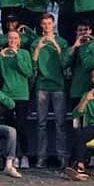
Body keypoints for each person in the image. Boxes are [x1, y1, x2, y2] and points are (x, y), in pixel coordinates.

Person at [32, 14, 69, 168]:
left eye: (49, 23)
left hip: (58, 86)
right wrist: (38, 48)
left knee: (60, 123)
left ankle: (62, 157)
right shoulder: (35, 42)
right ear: (41, 25)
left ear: (53, 24)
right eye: (44, 23)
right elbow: (33, 65)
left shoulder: (62, 41)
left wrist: (57, 47)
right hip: (42, 86)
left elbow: (65, 64)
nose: (47, 26)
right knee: (41, 124)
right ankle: (41, 157)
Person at [0, 31, 32, 170]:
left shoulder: (24, 53)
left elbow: (27, 72)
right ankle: (12, 156)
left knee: (21, 125)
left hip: (22, 95)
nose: (12, 40)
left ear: (19, 40)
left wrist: (17, 55)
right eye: (10, 38)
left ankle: (24, 155)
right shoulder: (3, 54)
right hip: (7, 95)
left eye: (15, 38)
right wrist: (0, 55)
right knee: (10, 127)